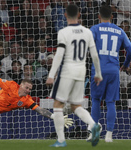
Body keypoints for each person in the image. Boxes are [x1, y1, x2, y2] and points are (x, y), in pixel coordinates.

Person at [46, 4, 103, 147]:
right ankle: (93, 124)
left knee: (57, 105)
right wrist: (98, 73)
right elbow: (95, 55)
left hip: (67, 70)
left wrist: (52, 75)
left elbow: (59, 55)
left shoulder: (64, 32)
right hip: (81, 71)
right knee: (75, 105)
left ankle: (60, 140)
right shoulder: (87, 32)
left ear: (65, 15)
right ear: (79, 15)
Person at [86, 5, 131, 143]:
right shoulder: (119, 30)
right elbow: (130, 48)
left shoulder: (95, 28)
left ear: (99, 16)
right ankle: (109, 135)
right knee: (111, 102)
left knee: (96, 100)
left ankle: (94, 133)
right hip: (113, 70)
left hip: (98, 70)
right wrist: (126, 64)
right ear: (112, 16)